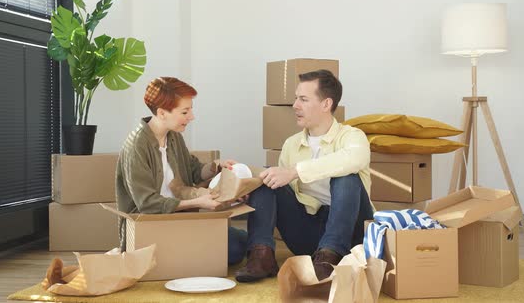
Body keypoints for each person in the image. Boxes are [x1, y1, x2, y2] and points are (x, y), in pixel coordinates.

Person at [235, 69, 374, 283]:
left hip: (350, 236)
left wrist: (294, 171)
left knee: (347, 177)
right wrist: (251, 191)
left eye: (303, 99)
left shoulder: (353, 137)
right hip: (308, 235)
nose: (295, 105)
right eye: (295, 98)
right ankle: (261, 255)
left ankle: (331, 256)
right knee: (268, 178)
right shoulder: (291, 144)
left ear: (326, 104)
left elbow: (353, 159)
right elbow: (281, 191)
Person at [115, 76, 247, 265]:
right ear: (162, 113)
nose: (191, 117)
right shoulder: (137, 146)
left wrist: (217, 167)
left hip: (180, 221)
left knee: (241, 240)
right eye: (185, 111)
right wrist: (196, 201)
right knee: (233, 248)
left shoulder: (173, 137)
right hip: (151, 228)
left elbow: (193, 170)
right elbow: (147, 203)